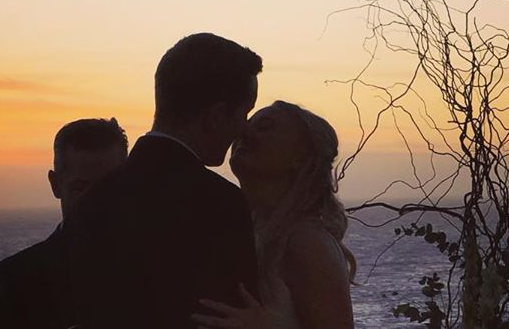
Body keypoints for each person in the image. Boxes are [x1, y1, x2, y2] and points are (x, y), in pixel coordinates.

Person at [66, 33, 263, 329]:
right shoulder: (219, 204)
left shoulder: (93, 202)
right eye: (243, 114)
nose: (244, 129)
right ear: (216, 116)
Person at [193, 102, 355, 329]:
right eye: (246, 125)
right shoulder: (241, 229)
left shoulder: (306, 242)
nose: (244, 132)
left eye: (265, 127)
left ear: (300, 156)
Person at [0, 117, 128, 329]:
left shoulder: (167, 267)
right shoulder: (14, 283)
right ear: (56, 184)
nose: (97, 200)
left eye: (108, 187)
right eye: (81, 188)